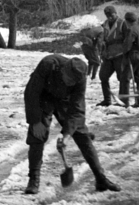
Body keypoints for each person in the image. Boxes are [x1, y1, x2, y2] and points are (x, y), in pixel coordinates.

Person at [22, 53, 121, 195]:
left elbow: (77, 110)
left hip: (64, 100)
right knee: (38, 134)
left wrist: (66, 134)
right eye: (67, 79)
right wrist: (35, 121)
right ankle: (33, 180)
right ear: (63, 70)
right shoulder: (48, 64)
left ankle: (100, 178)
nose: (69, 83)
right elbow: (32, 92)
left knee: (81, 134)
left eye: (72, 82)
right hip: (43, 97)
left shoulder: (80, 78)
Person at [99, 5, 133, 106]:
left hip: (120, 55)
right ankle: (107, 100)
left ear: (115, 13)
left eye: (111, 14)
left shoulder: (122, 23)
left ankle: (124, 101)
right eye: (107, 15)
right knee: (103, 77)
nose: (109, 17)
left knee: (122, 78)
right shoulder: (104, 24)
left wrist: (128, 53)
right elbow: (102, 37)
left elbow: (129, 38)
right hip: (108, 56)